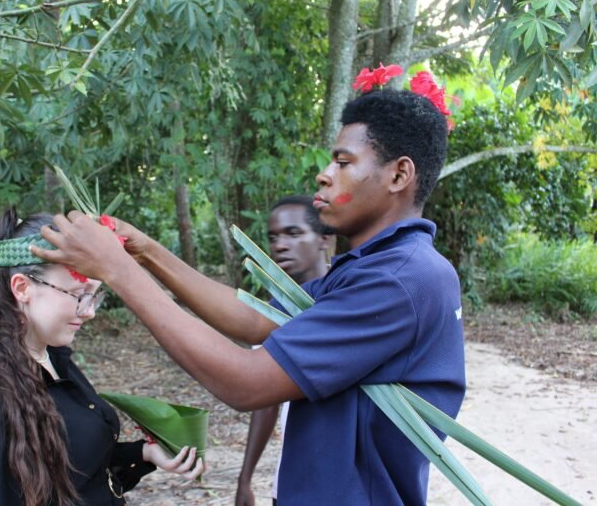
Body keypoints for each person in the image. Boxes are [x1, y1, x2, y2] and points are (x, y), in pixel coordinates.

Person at [31, 89, 465, 505]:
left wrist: (116, 270)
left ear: (399, 174)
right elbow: (255, 319)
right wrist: (144, 252)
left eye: (344, 161)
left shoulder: (401, 280)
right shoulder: (373, 266)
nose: (324, 174)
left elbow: (246, 381)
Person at [0, 209, 204, 506]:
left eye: (95, 296)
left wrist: (144, 453)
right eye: (78, 294)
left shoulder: (55, 359)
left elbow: (74, 462)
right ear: (22, 288)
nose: (90, 312)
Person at [236, 195, 331, 506]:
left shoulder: (347, 299)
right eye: (273, 237)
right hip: (292, 479)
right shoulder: (272, 313)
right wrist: (245, 478)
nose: (279, 245)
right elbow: (265, 401)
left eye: (293, 233)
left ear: (324, 238)